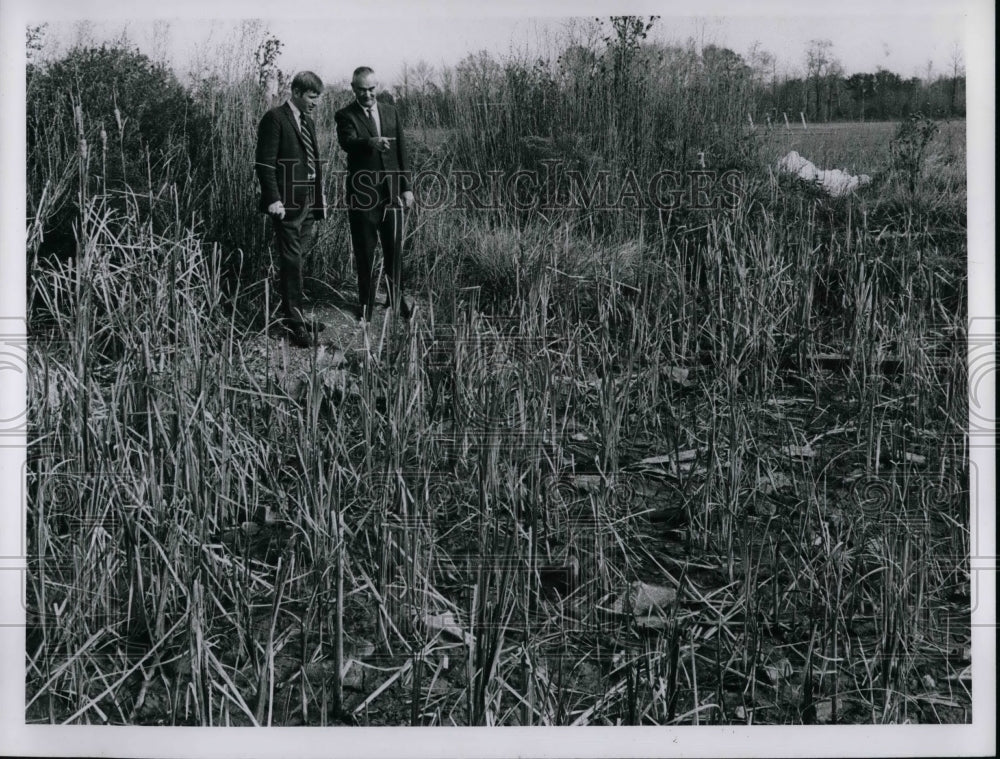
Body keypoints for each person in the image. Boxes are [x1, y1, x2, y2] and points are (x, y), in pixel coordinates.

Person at [335, 66, 415, 321]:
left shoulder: (391, 111)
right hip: (363, 196)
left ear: (376, 86)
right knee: (365, 250)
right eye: (362, 89)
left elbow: (401, 151)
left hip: (392, 194)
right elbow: (347, 142)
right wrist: (370, 142)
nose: (367, 94)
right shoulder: (345, 115)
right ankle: (366, 304)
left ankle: (395, 297)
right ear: (353, 88)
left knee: (394, 249)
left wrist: (407, 187)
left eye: (371, 89)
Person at [255, 71, 328, 347]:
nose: (316, 102)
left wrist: (319, 196)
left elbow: (313, 162)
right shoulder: (275, 118)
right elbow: (264, 162)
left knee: (298, 259)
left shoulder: (307, 121)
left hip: (308, 201)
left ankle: (295, 313)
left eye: (318, 97)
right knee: (292, 260)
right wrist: (273, 198)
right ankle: (295, 323)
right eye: (312, 96)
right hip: (285, 205)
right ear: (296, 91)